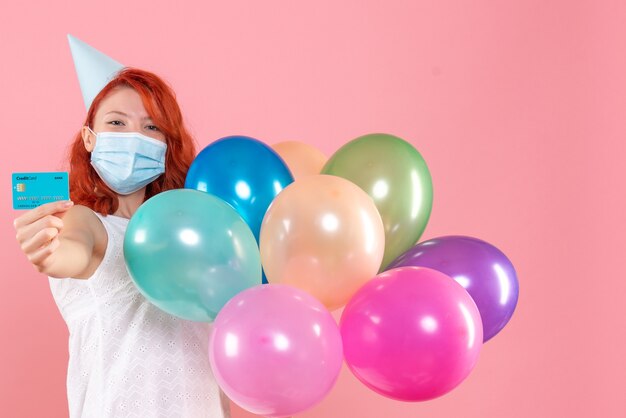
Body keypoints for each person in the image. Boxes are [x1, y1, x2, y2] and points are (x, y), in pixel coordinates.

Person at [13, 67, 231, 417]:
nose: (134, 136)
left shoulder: (194, 236)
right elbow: (74, 251)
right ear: (89, 138)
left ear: (166, 146)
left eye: (151, 127)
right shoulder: (86, 221)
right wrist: (49, 253)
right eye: (116, 123)